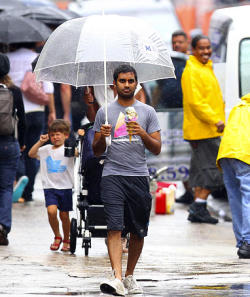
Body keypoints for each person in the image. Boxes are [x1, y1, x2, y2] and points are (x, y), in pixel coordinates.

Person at [92, 64, 161, 296]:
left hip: (138, 176)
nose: (127, 85)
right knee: (114, 227)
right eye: (122, 81)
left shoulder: (148, 112)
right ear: (114, 84)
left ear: (136, 83)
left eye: (130, 81)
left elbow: (157, 149)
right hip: (112, 175)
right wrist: (102, 136)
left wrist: (142, 133)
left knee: (138, 231)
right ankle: (117, 278)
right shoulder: (104, 112)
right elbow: (96, 151)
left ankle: (129, 275)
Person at [181, 35, 225, 225]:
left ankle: (198, 209)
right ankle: (199, 205)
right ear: (193, 50)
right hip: (205, 130)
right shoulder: (192, 71)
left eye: (208, 48)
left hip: (205, 130)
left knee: (200, 172)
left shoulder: (204, 67)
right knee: (214, 171)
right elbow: (196, 103)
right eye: (201, 48)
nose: (206, 51)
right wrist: (215, 120)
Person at [7, 42, 55, 203]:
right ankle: (28, 192)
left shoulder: (8, 58)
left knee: (19, 147)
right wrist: (53, 111)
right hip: (37, 111)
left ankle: (20, 179)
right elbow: (48, 88)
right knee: (33, 151)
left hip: (17, 111)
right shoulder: (38, 58)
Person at [28, 119, 77, 252]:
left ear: (66, 135)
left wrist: (80, 138)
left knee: (64, 216)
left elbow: (79, 154)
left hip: (65, 187)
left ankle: (67, 238)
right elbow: (31, 154)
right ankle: (57, 235)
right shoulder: (45, 149)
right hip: (49, 187)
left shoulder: (68, 149)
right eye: (53, 134)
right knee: (51, 211)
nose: (55, 137)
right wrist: (40, 142)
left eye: (59, 134)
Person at [217, 93, 250, 258]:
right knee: (248, 196)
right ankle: (249, 242)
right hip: (244, 155)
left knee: (236, 197)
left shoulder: (240, 106)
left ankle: (242, 243)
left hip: (227, 154)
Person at [0, 53, 26, 245]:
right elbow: (22, 120)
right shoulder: (13, 91)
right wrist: (22, 142)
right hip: (9, 143)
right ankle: (3, 226)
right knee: (6, 187)